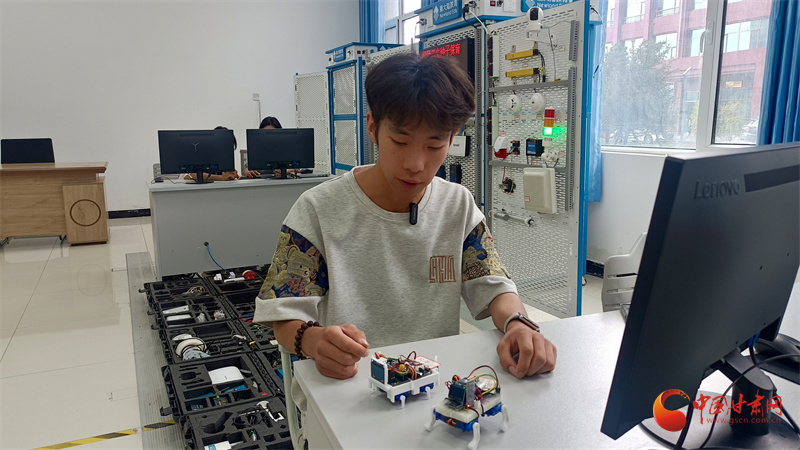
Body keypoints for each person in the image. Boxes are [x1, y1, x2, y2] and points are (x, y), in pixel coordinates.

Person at [253, 54, 556, 383]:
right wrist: (314, 341)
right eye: (400, 141)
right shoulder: (318, 209)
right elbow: (283, 314)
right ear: (373, 127)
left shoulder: (457, 205)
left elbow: (494, 285)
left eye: (434, 145)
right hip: (346, 388)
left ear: (452, 138)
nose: (415, 164)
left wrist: (518, 323)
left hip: (432, 385)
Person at [182, 126, 261, 181]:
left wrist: (233, 176)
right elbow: (192, 175)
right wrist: (221, 178)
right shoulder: (204, 157)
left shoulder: (225, 161)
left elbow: (228, 176)